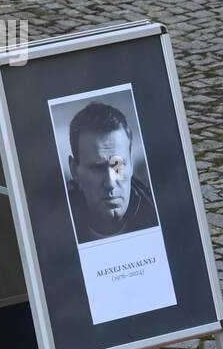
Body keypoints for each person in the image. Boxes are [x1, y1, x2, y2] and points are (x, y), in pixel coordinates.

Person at [65, 101, 158, 243]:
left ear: (131, 165)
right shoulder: (54, 228)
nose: (110, 183)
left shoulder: (159, 215)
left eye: (118, 164)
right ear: (74, 171)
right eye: (97, 168)